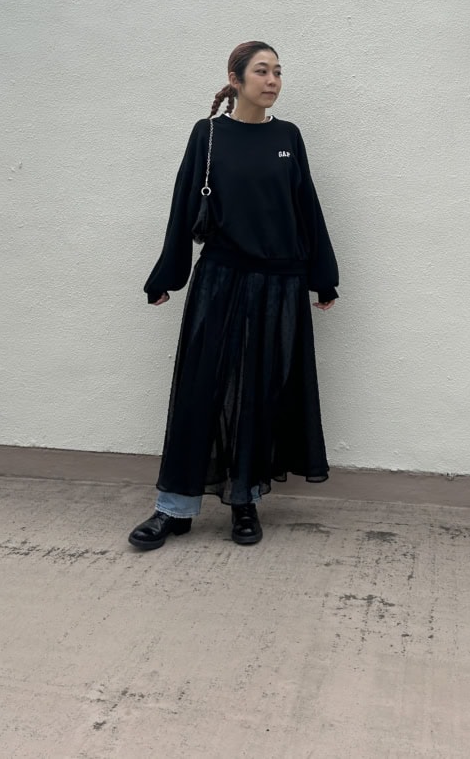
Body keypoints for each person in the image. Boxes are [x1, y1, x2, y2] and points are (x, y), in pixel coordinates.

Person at [128, 40, 338, 551]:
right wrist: (167, 274)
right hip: (221, 278)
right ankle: (174, 508)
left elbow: (305, 206)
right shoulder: (209, 135)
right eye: (262, 71)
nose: (273, 81)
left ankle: (245, 500)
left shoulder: (288, 136)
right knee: (199, 390)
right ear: (235, 78)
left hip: (280, 283)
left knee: (259, 395)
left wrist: (323, 276)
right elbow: (184, 204)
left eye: (278, 72)